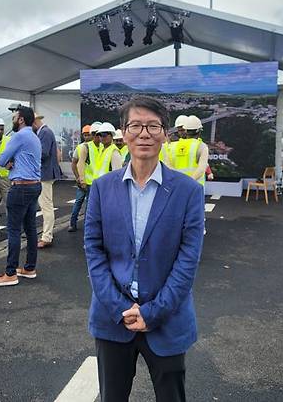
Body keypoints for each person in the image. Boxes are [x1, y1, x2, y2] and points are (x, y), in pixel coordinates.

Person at [84, 96, 204, 402]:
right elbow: (94, 251)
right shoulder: (102, 188)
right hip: (113, 319)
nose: (144, 133)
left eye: (153, 126)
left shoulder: (188, 191)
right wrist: (118, 307)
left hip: (167, 319)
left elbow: (188, 259)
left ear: (166, 133)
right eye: (135, 125)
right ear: (123, 133)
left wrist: (153, 311)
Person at [0, 106, 42, 287]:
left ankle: (10, 273)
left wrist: (11, 162)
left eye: (14, 116)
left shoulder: (18, 136)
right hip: (34, 186)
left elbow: (2, 160)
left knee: (13, 230)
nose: (12, 118)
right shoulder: (34, 136)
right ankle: (29, 268)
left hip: (20, 187)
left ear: (20, 120)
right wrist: (16, 161)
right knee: (31, 229)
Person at [33, 113, 63, 249]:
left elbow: (43, 153)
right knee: (46, 205)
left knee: (46, 206)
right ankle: (47, 234)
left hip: (45, 174)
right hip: (46, 173)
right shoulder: (46, 131)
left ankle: (47, 236)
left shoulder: (44, 133)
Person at [68, 121, 103, 232]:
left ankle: (86, 227)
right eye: (87, 134)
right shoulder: (83, 147)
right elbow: (76, 163)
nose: (89, 136)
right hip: (85, 182)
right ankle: (73, 224)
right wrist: (79, 178)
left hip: (94, 182)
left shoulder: (102, 147)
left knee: (87, 205)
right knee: (80, 203)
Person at [168, 115, 209, 186]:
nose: (180, 132)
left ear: (186, 130)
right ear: (199, 131)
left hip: (176, 186)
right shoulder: (201, 146)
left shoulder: (172, 146)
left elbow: (167, 167)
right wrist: (187, 183)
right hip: (195, 187)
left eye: (181, 130)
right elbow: (201, 170)